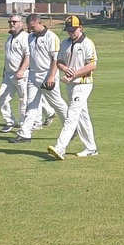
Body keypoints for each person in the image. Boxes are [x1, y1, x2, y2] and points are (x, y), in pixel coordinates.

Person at [10, 14, 69, 143]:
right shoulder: (30, 37)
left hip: (47, 74)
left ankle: (71, 126)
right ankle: (25, 134)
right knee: (31, 104)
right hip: (32, 75)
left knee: (56, 103)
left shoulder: (51, 37)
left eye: (32, 27)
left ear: (39, 23)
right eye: (28, 27)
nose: (30, 30)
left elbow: (55, 59)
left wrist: (51, 76)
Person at [47, 16, 99, 160]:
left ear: (80, 28)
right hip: (70, 85)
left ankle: (60, 148)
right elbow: (59, 61)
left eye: (73, 30)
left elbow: (92, 65)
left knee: (72, 115)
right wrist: (65, 69)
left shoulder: (87, 43)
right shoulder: (65, 43)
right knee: (82, 116)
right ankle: (91, 148)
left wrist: (75, 73)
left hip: (83, 84)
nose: (71, 33)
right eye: (69, 30)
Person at [0, 15, 29, 133]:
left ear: (21, 23)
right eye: (10, 22)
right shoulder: (9, 38)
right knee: (1, 97)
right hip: (8, 74)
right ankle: (9, 121)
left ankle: (24, 124)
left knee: (23, 100)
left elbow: (28, 56)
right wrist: (4, 72)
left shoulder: (25, 37)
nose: (11, 24)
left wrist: (21, 70)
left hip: (21, 74)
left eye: (14, 22)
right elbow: (7, 57)